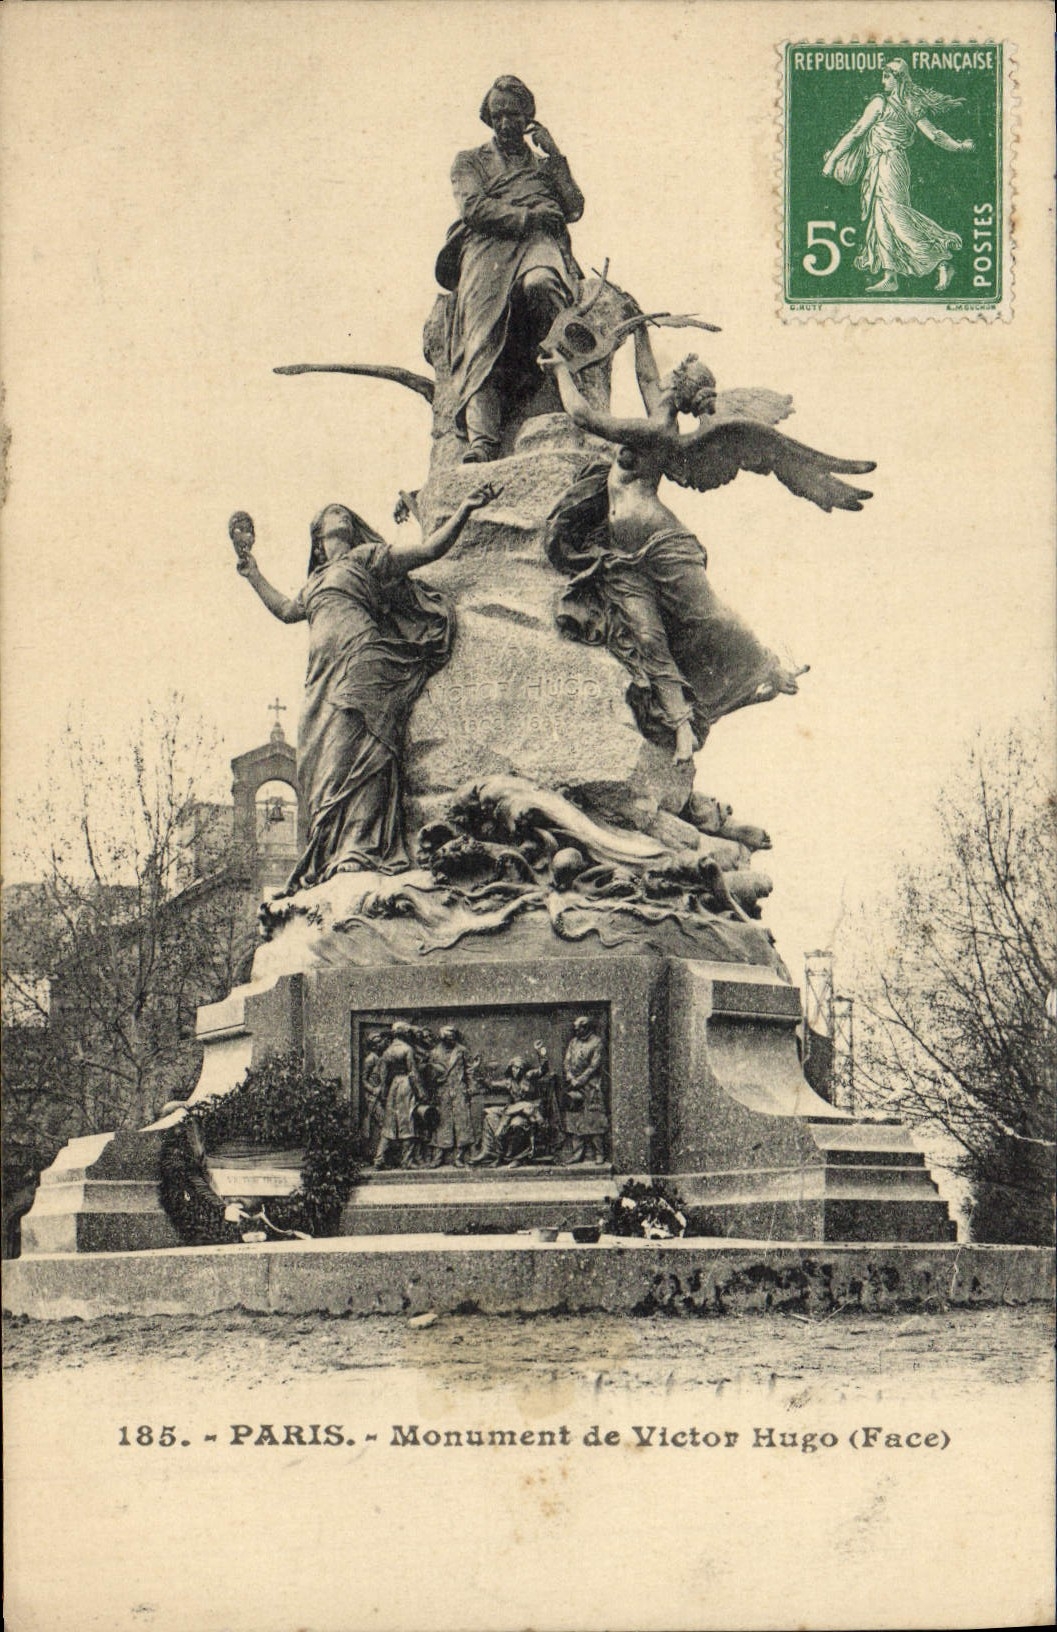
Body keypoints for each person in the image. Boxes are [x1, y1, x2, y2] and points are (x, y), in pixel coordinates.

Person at [232, 485, 497, 890]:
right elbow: (287, 610)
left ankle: (360, 848)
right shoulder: (317, 580)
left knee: (362, 747)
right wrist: (253, 573)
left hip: (364, 659)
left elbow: (427, 552)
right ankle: (334, 852)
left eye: (343, 512)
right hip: (322, 676)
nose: (338, 512)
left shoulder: (366, 558)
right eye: (329, 513)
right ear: (318, 542)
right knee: (320, 760)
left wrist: (463, 509)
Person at [435, 75, 584, 463]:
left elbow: (574, 208)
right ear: (488, 117)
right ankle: (483, 439)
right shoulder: (469, 160)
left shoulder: (543, 166)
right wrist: (530, 214)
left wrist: (556, 156)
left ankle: (564, 389)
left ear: (528, 118)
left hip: (538, 244)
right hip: (488, 246)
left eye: (513, 115)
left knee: (542, 284)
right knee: (482, 330)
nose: (505, 123)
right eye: (498, 114)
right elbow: (475, 209)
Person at [822, 59, 974, 293]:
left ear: (897, 77)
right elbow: (935, 135)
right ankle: (890, 276)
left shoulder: (880, 103)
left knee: (895, 216)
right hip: (885, 164)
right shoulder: (911, 103)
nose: (883, 80)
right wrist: (960, 146)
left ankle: (942, 260)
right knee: (881, 219)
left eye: (886, 76)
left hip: (889, 164)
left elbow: (856, 133)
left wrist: (832, 160)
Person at [469, 1046, 551, 1167]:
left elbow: (543, 1069)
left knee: (516, 1124)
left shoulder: (529, 1077)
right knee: (489, 1117)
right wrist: (476, 1069)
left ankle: (518, 1158)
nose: (515, 1070)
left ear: (523, 1069)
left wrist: (542, 1052)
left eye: (518, 1068)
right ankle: (488, 1151)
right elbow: (490, 1084)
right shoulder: (509, 1082)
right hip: (513, 1110)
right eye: (514, 1067)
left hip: (528, 1112)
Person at [373, 1021, 425, 1170]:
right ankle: (407, 1160)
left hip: (393, 1088)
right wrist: (421, 1092)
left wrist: (384, 1094)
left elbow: (383, 1077)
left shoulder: (387, 1051)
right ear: (403, 1034)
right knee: (408, 1122)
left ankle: (379, 1159)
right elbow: (413, 1072)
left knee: (390, 1124)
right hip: (406, 1085)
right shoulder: (407, 1049)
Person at [423, 1026, 477, 1168]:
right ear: (443, 1038)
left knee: (461, 1125)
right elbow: (429, 1074)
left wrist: (471, 1087)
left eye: (453, 1036)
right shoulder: (434, 1052)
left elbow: (469, 1070)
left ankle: (459, 1157)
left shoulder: (462, 1050)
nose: (452, 1039)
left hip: (459, 1091)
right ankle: (438, 1157)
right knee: (441, 1125)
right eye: (448, 1037)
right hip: (442, 1093)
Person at [561, 1015, 608, 1165]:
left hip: (591, 1087)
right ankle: (577, 1154)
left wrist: (580, 1080)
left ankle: (599, 1153)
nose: (575, 1031)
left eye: (578, 1029)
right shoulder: (573, 1042)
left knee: (594, 1120)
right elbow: (567, 1062)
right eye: (575, 1029)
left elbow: (594, 1066)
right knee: (575, 1120)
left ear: (585, 1027)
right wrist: (569, 1076)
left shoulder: (596, 1042)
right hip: (574, 1086)